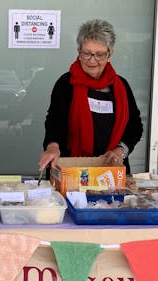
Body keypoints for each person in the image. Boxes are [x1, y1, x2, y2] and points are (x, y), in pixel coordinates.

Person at [38, 19, 143, 174]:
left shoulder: (121, 86)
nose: (92, 60)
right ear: (79, 51)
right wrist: (53, 147)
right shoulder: (66, 83)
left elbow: (134, 127)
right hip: (72, 170)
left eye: (99, 54)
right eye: (86, 53)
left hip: (111, 170)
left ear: (110, 54)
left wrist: (121, 150)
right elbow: (55, 121)